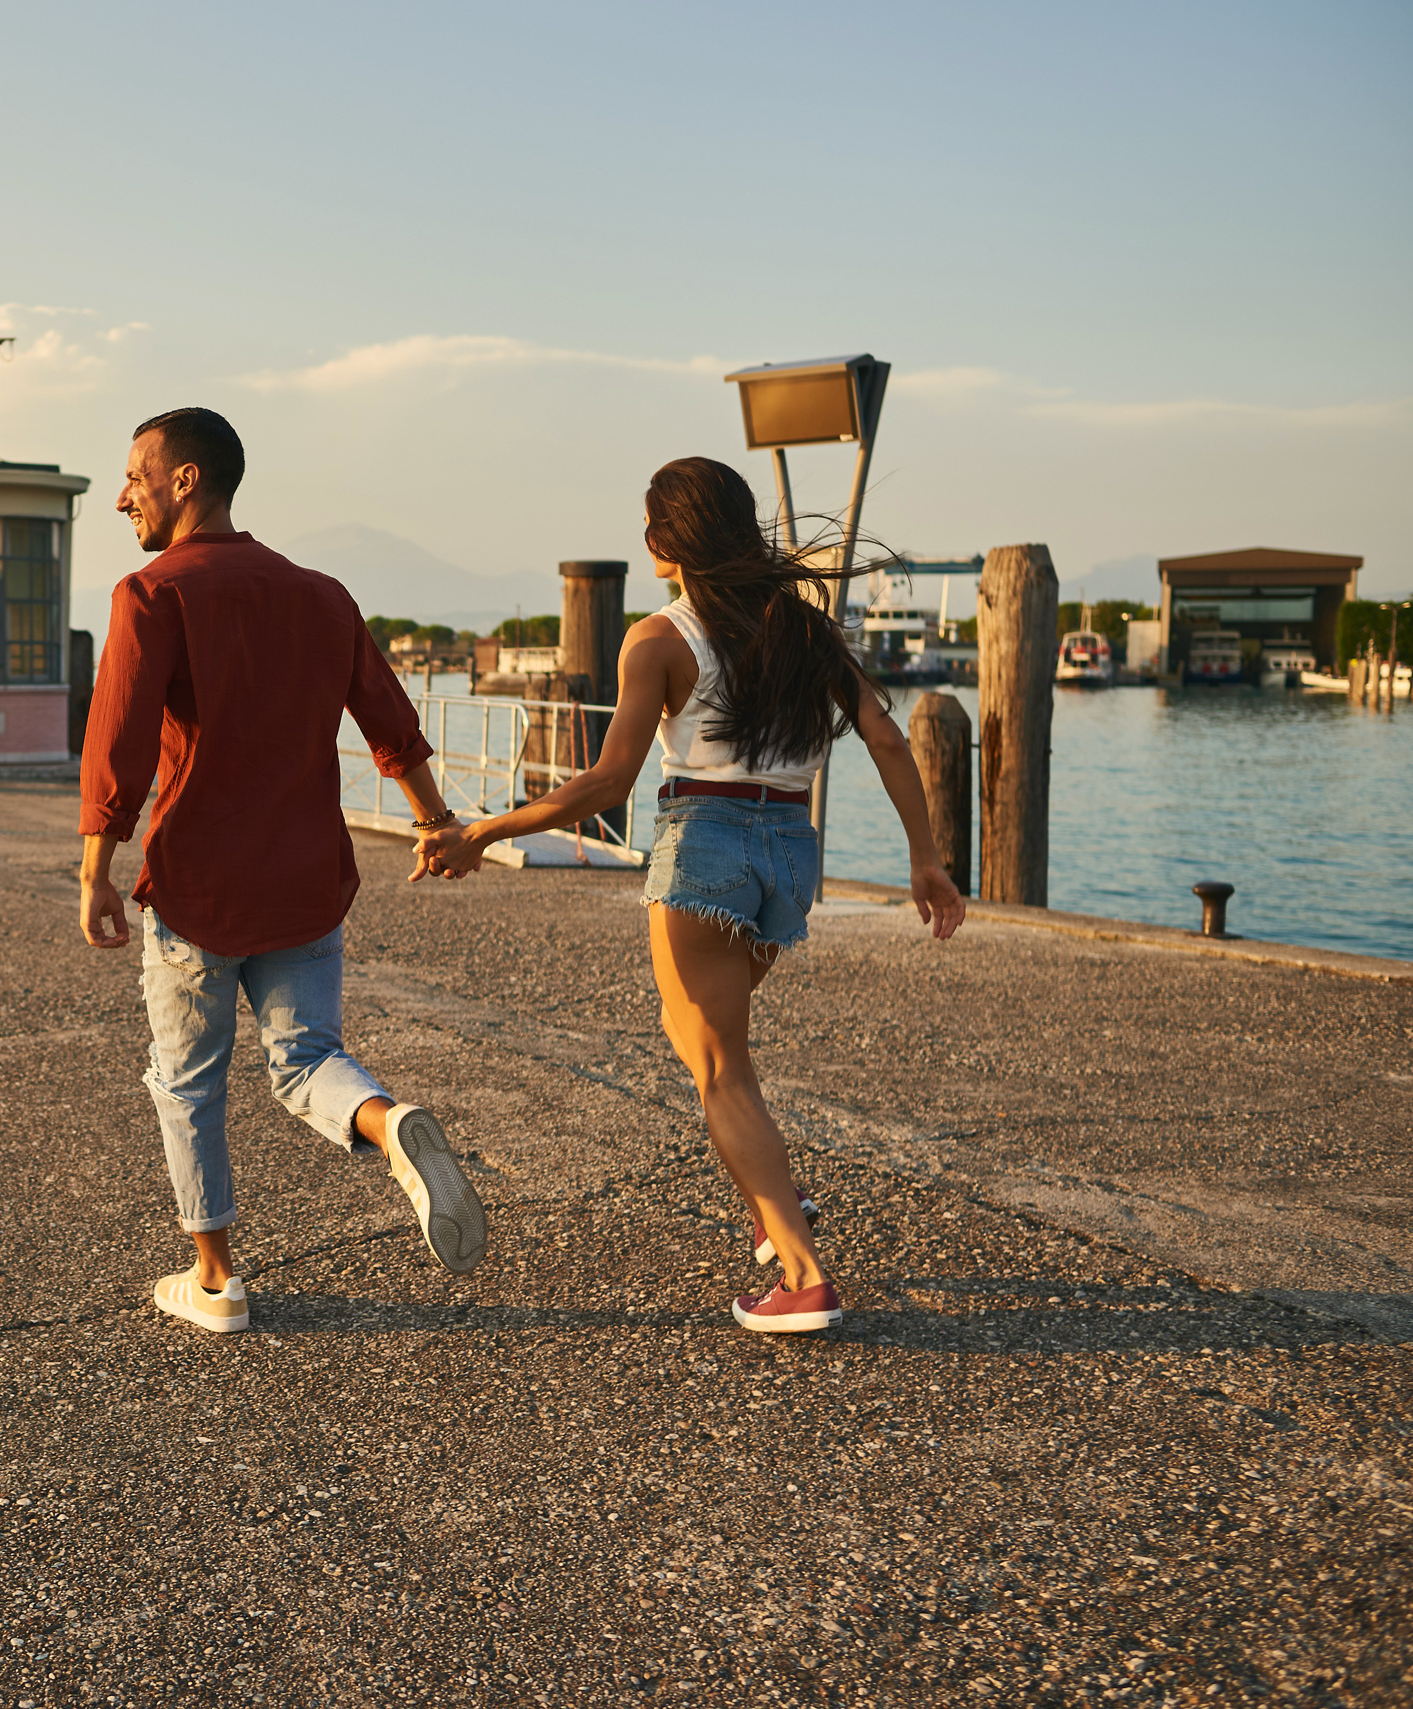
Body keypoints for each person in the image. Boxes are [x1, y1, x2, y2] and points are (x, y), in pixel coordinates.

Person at [421, 456, 965, 1334]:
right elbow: (890, 742)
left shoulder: (661, 639)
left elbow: (607, 784)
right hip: (790, 854)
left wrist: (483, 831)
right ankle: (770, 1197)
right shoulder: (804, 633)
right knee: (704, 1044)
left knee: (720, 1069)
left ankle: (801, 1272)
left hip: (705, 846)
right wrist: (925, 858)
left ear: (665, 541)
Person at [78, 406, 489, 1335]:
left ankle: (217, 1281)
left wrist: (96, 867)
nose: (121, 496)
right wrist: (435, 821)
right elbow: (392, 723)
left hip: (200, 890)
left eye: (133, 476)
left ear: (185, 480)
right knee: (307, 1061)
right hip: (305, 881)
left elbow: (119, 746)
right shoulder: (322, 595)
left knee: (187, 1081)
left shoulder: (152, 593)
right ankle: (391, 1125)